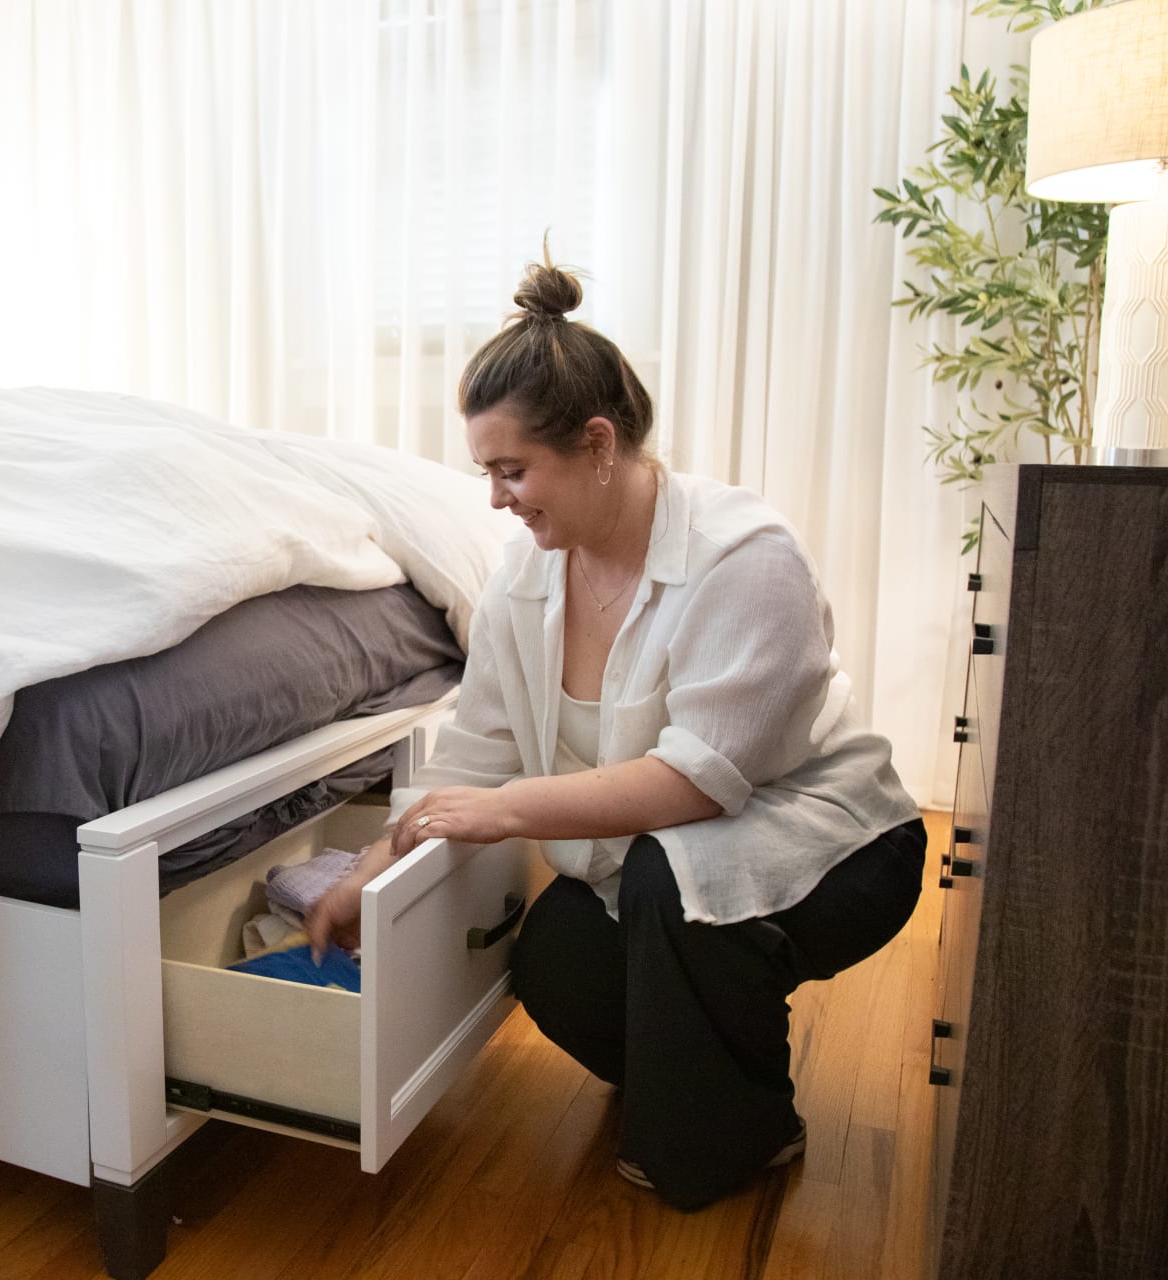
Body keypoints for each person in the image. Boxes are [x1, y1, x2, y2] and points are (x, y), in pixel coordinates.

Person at [305, 253, 925, 1212]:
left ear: (598, 443)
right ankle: (714, 1047)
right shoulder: (523, 580)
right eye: (488, 472)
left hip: (838, 839)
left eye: (513, 470)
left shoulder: (743, 559)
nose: (497, 498)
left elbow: (694, 784)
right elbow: (476, 750)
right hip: (665, 857)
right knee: (553, 960)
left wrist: (507, 813)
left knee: (665, 880)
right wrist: (368, 867)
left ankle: (743, 1130)